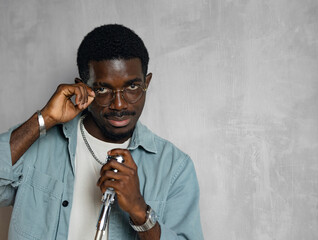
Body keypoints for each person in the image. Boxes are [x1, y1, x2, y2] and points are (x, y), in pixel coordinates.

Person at [0, 24, 203, 240]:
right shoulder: (37, 145)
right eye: (103, 89)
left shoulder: (174, 167)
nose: (118, 104)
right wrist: (45, 118)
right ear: (82, 87)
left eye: (132, 87)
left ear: (146, 83)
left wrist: (139, 211)